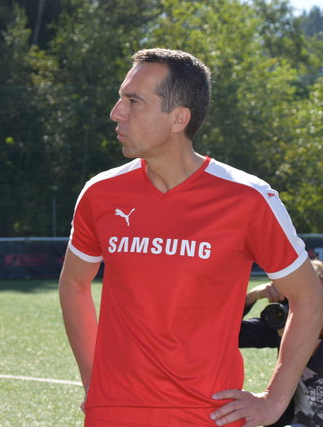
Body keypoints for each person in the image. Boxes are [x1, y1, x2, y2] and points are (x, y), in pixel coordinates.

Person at [58, 48, 323, 427]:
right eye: (121, 99)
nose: (117, 112)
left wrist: (274, 400)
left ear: (179, 118)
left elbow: (308, 296)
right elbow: (73, 283)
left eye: (134, 101)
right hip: (113, 413)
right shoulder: (100, 194)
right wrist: (93, 378)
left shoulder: (248, 198)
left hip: (209, 415)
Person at [240, 259, 323, 426]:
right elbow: (230, 334)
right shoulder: (285, 327)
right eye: (292, 300)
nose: (298, 309)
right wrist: (252, 296)